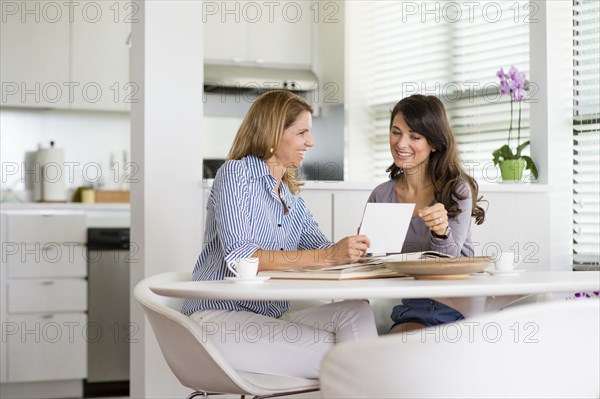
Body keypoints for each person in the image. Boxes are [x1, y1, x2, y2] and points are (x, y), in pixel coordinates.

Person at [182, 90, 377, 379]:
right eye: (302, 133)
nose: (311, 142)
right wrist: (327, 255)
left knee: (356, 313)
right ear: (273, 135)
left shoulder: (289, 195)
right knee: (350, 357)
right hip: (219, 320)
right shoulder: (236, 175)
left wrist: (352, 250)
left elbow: (322, 249)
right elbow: (241, 256)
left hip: (268, 317)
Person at [367, 94, 486, 334]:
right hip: (412, 307)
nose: (401, 144)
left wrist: (441, 232)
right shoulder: (382, 195)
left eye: (415, 136)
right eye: (396, 132)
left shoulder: (456, 190)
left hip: (456, 307)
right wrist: (360, 253)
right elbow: (373, 266)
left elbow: (447, 265)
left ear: (433, 143)